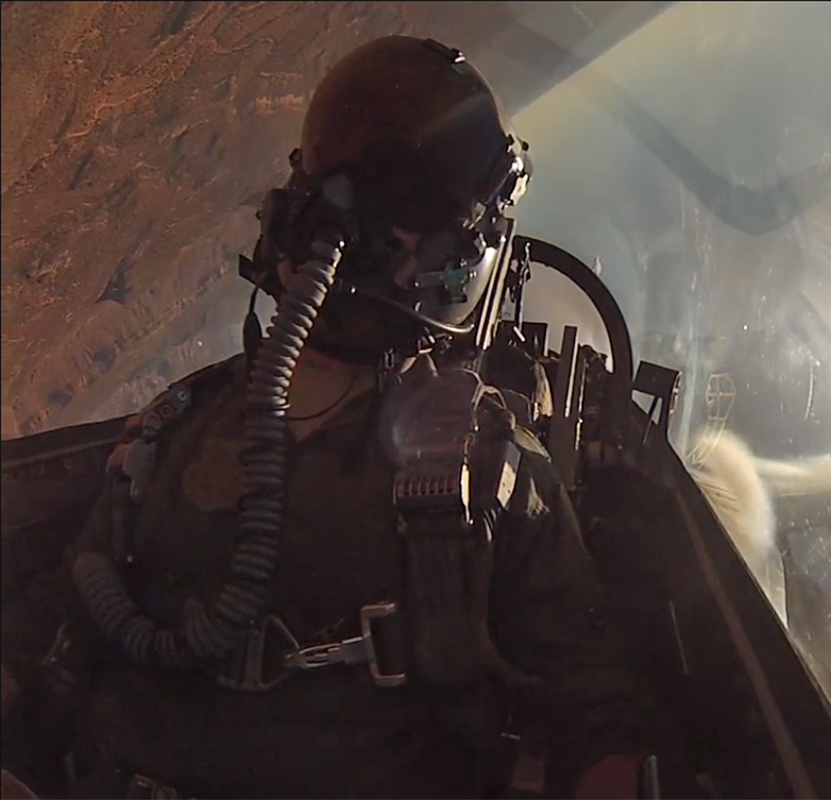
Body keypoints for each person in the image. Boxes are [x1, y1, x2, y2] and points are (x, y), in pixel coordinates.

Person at [1, 35, 649, 799]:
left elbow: (602, 721)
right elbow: (53, 626)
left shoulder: (483, 471)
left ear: (455, 246)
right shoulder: (177, 423)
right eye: (341, 173)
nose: (353, 210)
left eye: (404, 193)